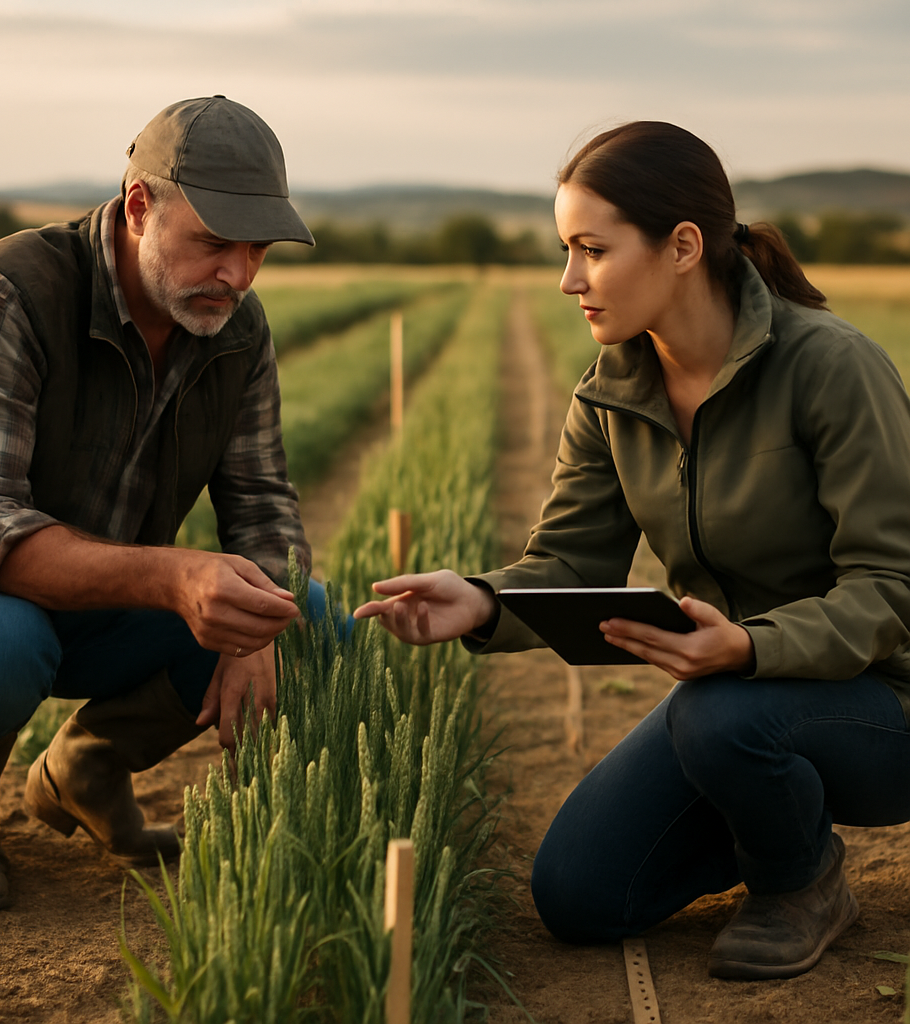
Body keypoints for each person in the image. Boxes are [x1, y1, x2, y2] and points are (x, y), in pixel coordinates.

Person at [354, 121, 910, 981]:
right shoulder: (614, 389)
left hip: (882, 702)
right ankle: (767, 802)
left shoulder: (829, 368)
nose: (570, 279)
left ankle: (801, 881)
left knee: (716, 715)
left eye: (591, 249)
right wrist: (483, 600)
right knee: (579, 896)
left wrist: (752, 645)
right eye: (564, 250)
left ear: (682, 246)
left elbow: (892, 584)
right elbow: (574, 561)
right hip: (737, 696)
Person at [0, 96, 318, 917]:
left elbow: (262, 499)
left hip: (103, 596)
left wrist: (259, 623)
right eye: (215, 243)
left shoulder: (237, 328)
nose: (238, 272)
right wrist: (174, 576)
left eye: (257, 248)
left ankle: (86, 768)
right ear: (139, 206)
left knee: (302, 612)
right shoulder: (6, 292)